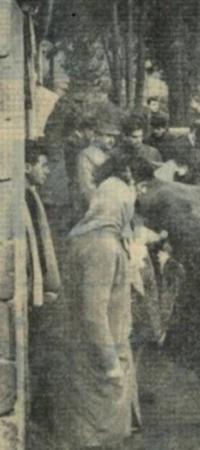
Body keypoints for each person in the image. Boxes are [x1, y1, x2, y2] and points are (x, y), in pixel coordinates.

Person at [53, 155, 153, 449]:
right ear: (118, 206)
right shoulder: (103, 248)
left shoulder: (91, 235)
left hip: (92, 349)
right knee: (101, 432)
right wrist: (110, 363)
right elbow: (94, 314)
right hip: (99, 354)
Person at [24, 140, 61, 427]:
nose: (47, 171)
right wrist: (43, 287)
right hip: (34, 295)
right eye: (43, 165)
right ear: (27, 166)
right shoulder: (25, 199)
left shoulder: (32, 196)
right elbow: (34, 246)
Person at [75, 121, 121, 214]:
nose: (112, 140)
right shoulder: (87, 155)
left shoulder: (111, 154)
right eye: (108, 136)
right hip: (98, 207)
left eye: (114, 137)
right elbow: (87, 186)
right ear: (97, 136)